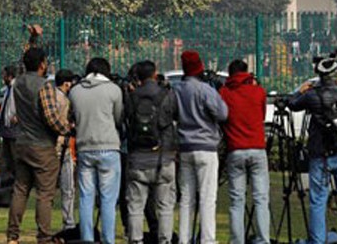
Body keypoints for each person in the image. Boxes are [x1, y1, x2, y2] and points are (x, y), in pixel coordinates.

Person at [287, 57, 337, 244]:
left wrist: (301, 89)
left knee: (318, 201)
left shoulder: (312, 96)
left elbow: (292, 104)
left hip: (319, 155)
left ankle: (317, 240)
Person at [6, 47, 73, 244]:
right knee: (45, 194)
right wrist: (67, 129)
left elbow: (23, 62)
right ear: (43, 64)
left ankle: (12, 236)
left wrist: (32, 40)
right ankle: (44, 237)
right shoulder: (44, 86)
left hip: (22, 142)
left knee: (20, 189)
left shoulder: (18, 83)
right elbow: (51, 117)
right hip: (42, 146)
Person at [69, 57, 125, 244]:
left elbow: (73, 117)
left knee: (86, 198)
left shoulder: (75, 92)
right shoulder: (114, 90)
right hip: (108, 146)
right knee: (108, 199)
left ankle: (87, 239)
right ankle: (108, 240)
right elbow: (118, 118)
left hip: (84, 146)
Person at [176, 50, 229, 244]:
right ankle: (207, 239)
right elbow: (222, 114)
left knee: (186, 197)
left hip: (185, 146)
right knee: (207, 197)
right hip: (206, 146)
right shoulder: (205, 89)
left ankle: (184, 238)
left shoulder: (177, 89)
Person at [125, 60, 178, 244]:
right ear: (155, 74)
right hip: (163, 157)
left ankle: (136, 240)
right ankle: (164, 240)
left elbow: (126, 121)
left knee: (135, 206)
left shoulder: (131, 97)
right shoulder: (167, 94)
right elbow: (176, 117)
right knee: (165, 206)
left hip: (138, 157)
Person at [219, 59, 270, 244]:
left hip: (235, 149)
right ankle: (263, 238)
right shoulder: (258, 92)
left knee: (236, 200)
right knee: (261, 198)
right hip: (257, 148)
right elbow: (262, 115)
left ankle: (237, 240)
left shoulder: (225, 93)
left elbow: (221, 117)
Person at [54, 69, 78, 233]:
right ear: (67, 83)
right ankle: (68, 222)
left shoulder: (51, 96)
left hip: (51, 146)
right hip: (63, 145)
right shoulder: (63, 99)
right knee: (68, 187)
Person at [0, 66, 18, 177]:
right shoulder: (8, 89)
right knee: (7, 158)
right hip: (7, 128)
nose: (3, 78)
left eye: (4, 75)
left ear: (9, 76)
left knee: (14, 157)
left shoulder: (16, 87)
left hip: (13, 129)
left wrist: (18, 116)